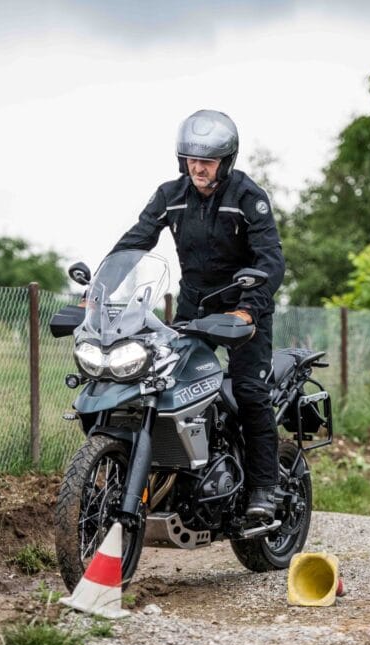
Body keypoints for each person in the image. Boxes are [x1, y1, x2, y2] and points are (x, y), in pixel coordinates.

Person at [108, 110, 285, 522]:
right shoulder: (171, 194)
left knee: (249, 392)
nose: (198, 168)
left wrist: (248, 309)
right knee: (165, 385)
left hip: (244, 305)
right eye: (190, 159)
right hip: (194, 306)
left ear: (226, 161)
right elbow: (137, 239)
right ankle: (181, 475)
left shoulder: (247, 198)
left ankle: (264, 487)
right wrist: (98, 294)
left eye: (207, 161)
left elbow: (271, 260)